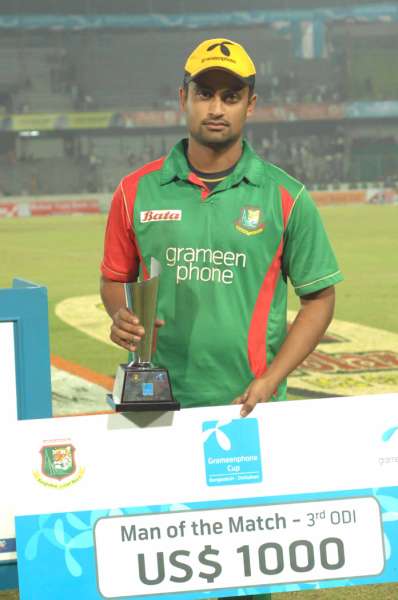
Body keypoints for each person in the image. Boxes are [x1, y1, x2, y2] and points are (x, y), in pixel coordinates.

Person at [100, 37, 343, 420]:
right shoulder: (134, 191)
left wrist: (272, 378)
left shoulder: (287, 197)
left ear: (251, 104)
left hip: (249, 405)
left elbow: (319, 299)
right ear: (184, 98)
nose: (216, 109)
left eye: (230, 97)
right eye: (204, 94)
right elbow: (115, 279)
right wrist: (122, 316)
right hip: (155, 401)